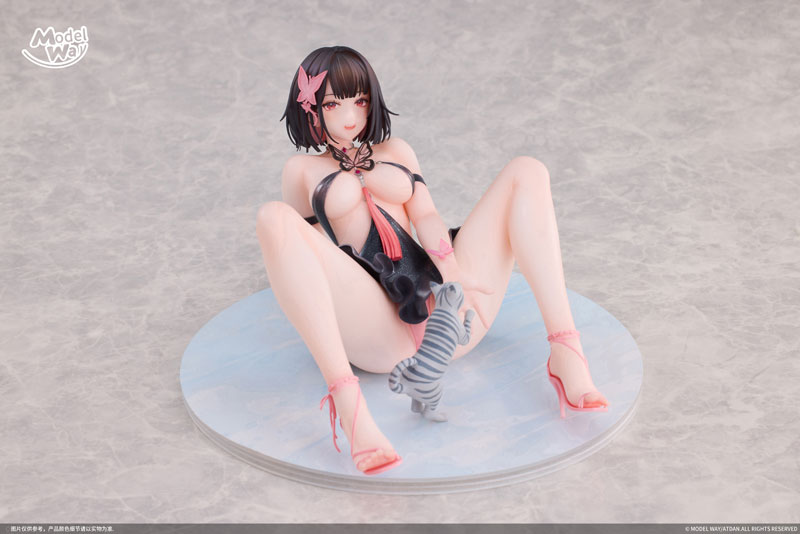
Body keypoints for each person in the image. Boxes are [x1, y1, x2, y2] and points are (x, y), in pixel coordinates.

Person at [256, 45, 609, 476]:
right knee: (273, 218)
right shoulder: (301, 171)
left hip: (450, 314)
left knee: (528, 170)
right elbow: (306, 251)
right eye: (333, 104)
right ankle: (350, 408)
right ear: (310, 107)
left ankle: (566, 353)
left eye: (360, 100)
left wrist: (454, 275)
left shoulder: (397, 150)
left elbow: (425, 215)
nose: (350, 116)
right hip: (380, 332)